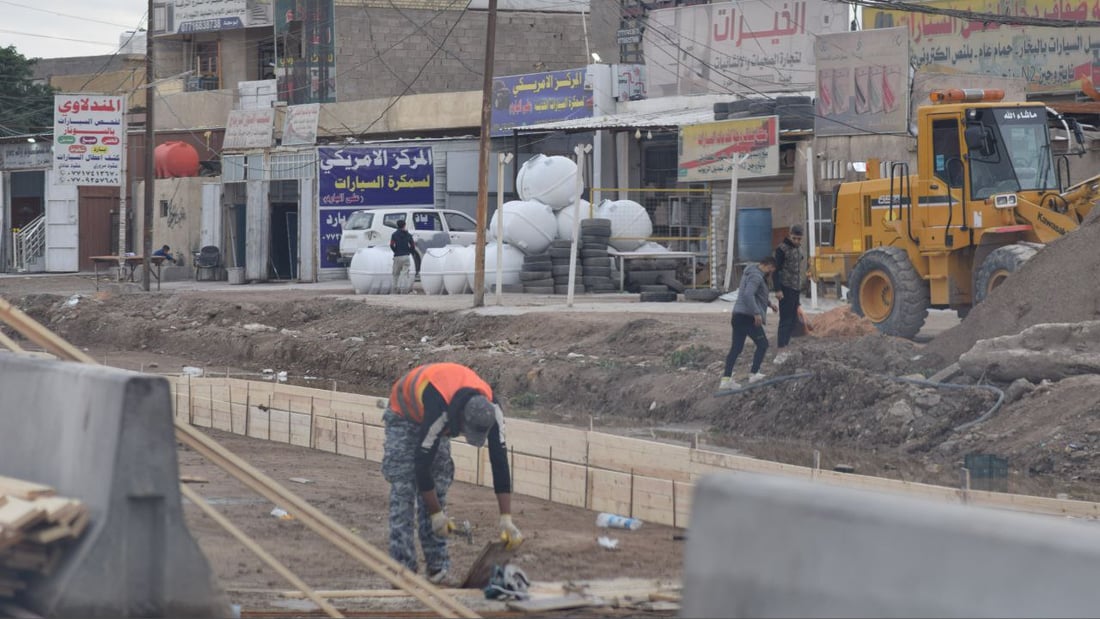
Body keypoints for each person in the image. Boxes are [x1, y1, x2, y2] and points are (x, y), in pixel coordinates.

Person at [382, 362, 523, 584]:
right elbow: (421, 464)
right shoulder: (439, 408)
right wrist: (436, 514)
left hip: (438, 416)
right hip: (404, 415)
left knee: (439, 483)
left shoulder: (492, 410)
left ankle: (437, 570)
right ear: (461, 418)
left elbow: (500, 460)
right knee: (403, 489)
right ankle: (403, 572)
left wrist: (506, 518)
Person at [719, 256, 778, 391]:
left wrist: (769, 304)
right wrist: (756, 313)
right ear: (769, 266)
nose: (771, 273)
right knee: (763, 344)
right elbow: (748, 294)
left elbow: (757, 294)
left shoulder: (750, 272)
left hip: (738, 316)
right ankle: (754, 374)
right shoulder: (756, 276)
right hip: (748, 317)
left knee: (736, 348)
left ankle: (726, 380)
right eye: (772, 270)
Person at [774, 224, 805, 350]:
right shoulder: (782, 249)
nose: (796, 241)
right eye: (794, 238)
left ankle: (786, 344)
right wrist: (777, 289)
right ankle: (781, 346)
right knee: (785, 319)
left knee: (793, 319)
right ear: (790, 235)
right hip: (785, 288)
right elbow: (776, 270)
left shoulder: (799, 249)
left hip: (796, 288)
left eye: (799, 239)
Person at [390, 220, 419, 293]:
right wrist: (410, 252)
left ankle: (395, 290)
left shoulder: (394, 235)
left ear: (397, 225)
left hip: (397, 256)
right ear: (404, 225)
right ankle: (403, 290)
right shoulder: (408, 235)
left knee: (395, 274)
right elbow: (413, 245)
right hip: (406, 256)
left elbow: (391, 245)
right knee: (404, 273)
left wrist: (395, 251)